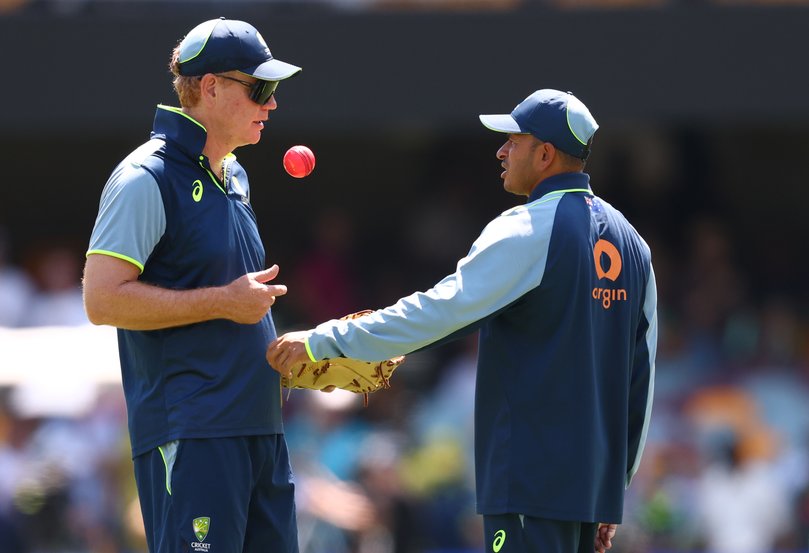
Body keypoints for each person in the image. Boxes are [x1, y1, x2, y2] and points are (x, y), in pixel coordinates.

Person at [267, 89, 658, 553]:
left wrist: (324, 339)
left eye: (513, 140)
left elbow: (436, 314)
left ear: (545, 153)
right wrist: (613, 491)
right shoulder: (635, 244)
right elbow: (642, 379)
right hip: (590, 493)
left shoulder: (526, 228)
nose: (501, 150)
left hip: (529, 485)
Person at [82, 17, 301, 553]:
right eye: (260, 89)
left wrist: (296, 352)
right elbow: (102, 298)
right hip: (194, 431)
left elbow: (237, 307)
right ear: (211, 88)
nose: (271, 105)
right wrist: (225, 303)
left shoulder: (236, 174)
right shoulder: (144, 177)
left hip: (260, 428)